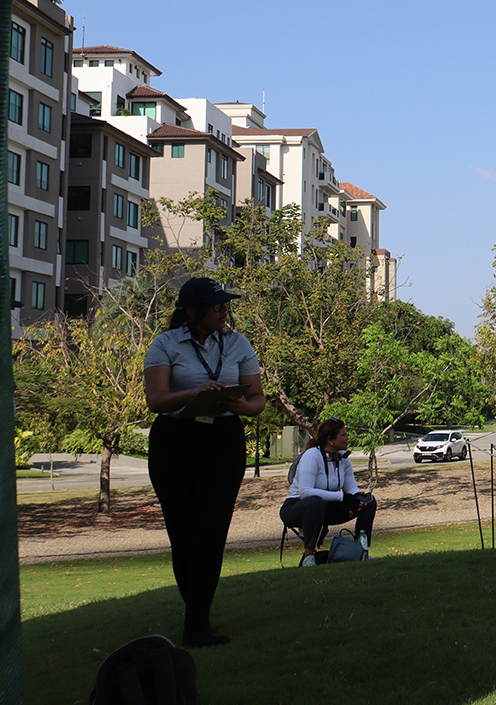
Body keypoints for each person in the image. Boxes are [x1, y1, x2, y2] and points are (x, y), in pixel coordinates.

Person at [143, 276, 265, 647]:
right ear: (193, 311)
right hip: (175, 441)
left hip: (223, 441)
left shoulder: (238, 343)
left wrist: (241, 406)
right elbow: (155, 400)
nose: (225, 311)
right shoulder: (165, 344)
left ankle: (197, 624)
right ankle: (197, 619)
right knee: (183, 534)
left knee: (211, 532)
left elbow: (258, 398)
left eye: (226, 304)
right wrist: (196, 392)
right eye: (217, 306)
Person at [280, 417, 377, 565]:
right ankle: (308, 557)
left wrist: (357, 497)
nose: (347, 438)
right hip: (297, 507)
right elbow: (305, 492)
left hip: (326, 507)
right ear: (330, 439)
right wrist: (342, 497)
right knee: (315, 502)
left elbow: (350, 488)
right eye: (343, 435)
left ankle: (361, 550)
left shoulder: (343, 458)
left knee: (369, 502)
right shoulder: (311, 456)